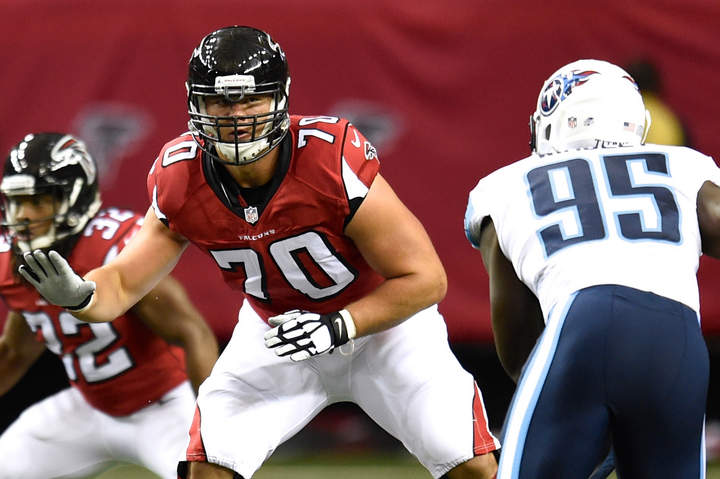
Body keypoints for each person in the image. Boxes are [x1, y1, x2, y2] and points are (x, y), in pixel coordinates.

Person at [18, 26, 500, 479]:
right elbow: (123, 282)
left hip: (384, 331)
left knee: (472, 466)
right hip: (277, 332)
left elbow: (425, 279)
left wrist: (340, 325)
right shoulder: (179, 177)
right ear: (194, 104)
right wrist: (81, 295)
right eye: (219, 102)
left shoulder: (328, 159)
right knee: (210, 467)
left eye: (251, 99)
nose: (236, 117)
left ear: (280, 97)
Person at [464, 58, 720, 478]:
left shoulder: (504, 186)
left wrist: (564, 404)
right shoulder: (685, 166)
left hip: (585, 323)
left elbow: (516, 337)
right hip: (679, 339)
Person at [0, 132, 219, 479]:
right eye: (17, 202)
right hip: (88, 406)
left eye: (37, 201)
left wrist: (217, 421)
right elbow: (14, 352)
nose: (23, 216)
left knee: (209, 476)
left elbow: (193, 332)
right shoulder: (15, 263)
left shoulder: (112, 248)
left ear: (73, 198)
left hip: (162, 406)